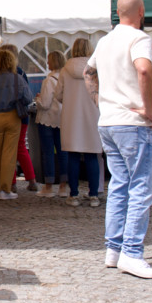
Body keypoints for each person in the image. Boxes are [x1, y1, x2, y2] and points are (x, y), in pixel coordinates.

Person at [85, 0, 152, 279]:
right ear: (141, 11)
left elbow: (88, 72)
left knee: (119, 185)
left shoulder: (105, 41)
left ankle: (114, 249)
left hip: (109, 122)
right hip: (132, 122)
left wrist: (100, 101)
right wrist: (149, 109)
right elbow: (144, 70)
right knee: (141, 186)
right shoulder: (138, 38)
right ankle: (131, 252)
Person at [0, 49, 32, 200]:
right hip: (13, 117)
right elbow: (28, 98)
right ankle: (5, 189)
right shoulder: (17, 79)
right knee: (9, 154)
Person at [58, 39, 102, 206]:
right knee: (92, 155)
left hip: (71, 116)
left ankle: (74, 194)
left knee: (73, 156)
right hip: (92, 115)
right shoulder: (95, 68)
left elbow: (58, 95)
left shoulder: (65, 69)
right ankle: (93, 195)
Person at [0, 44, 37, 191]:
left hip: (8, 115)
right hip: (22, 115)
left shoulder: (0, 76)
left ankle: (12, 182)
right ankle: (31, 180)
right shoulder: (21, 73)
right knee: (20, 147)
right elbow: (28, 96)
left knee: (9, 148)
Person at [34, 51, 67, 198]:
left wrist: (38, 100)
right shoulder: (66, 78)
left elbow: (45, 104)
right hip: (62, 118)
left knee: (48, 153)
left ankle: (48, 185)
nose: (47, 63)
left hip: (47, 119)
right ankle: (64, 185)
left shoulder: (49, 80)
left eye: (48, 61)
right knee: (62, 152)